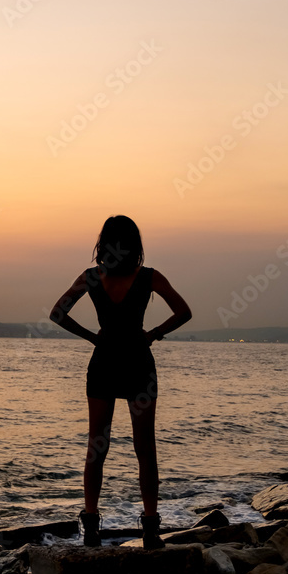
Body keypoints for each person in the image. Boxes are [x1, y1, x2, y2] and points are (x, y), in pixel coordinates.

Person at [49, 215, 192, 549]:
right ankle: (151, 527)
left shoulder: (91, 278)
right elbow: (184, 312)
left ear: (104, 244)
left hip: (104, 363)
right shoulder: (149, 277)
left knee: (97, 446)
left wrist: (92, 338)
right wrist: (153, 334)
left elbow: (57, 313)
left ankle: (92, 525)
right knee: (146, 448)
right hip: (138, 363)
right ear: (135, 245)